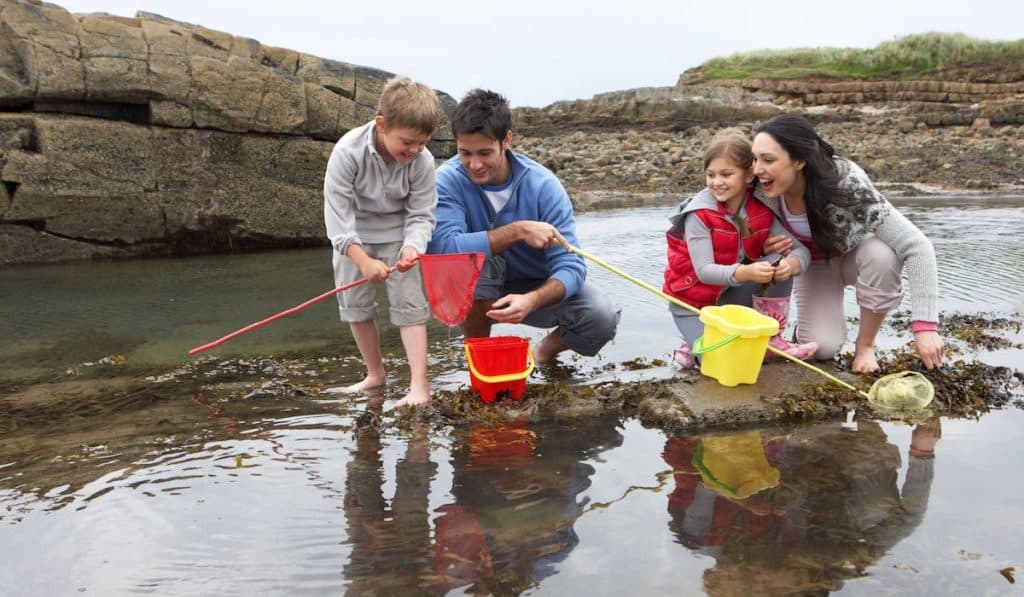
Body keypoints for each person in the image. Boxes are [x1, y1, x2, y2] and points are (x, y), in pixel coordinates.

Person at [427, 89, 620, 363]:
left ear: (506, 140)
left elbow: (572, 268)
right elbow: (444, 249)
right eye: (464, 153)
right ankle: (479, 359)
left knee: (601, 315)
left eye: (484, 152)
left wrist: (532, 300)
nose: (474, 164)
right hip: (474, 290)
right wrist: (517, 231)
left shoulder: (544, 187)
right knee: (472, 265)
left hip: (534, 288)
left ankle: (543, 352)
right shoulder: (447, 181)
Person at [752, 113, 944, 373]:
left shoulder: (846, 182)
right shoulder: (759, 190)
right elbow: (718, 206)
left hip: (856, 256)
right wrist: (760, 246)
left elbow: (918, 246)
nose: (757, 169)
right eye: (754, 159)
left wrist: (926, 328)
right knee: (822, 350)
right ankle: (811, 328)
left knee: (883, 255)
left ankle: (865, 346)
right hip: (813, 267)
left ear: (799, 160)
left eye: (768, 160)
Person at [323, 75, 441, 407]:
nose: (415, 150)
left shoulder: (423, 161)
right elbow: (338, 219)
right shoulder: (347, 152)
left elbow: (421, 214)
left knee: (411, 307)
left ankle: (419, 386)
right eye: (408, 142)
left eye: (422, 143)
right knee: (356, 308)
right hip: (353, 237)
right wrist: (362, 261)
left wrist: (412, 248)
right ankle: (375, 375)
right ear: (381, 124)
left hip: (399, 234)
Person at [663, 129, 817, 369]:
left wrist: (792, 264)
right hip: (695, 305)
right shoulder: (699, 214)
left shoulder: (761, 209)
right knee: (720, 361)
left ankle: (772, 339)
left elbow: (801, 251)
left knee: (778, 259)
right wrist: (745, 272)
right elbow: (704, 271)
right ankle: (690, 344)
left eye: (726, 174)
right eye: (711, 175)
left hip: (730, 297)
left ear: (747, 175)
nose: (717, 182)